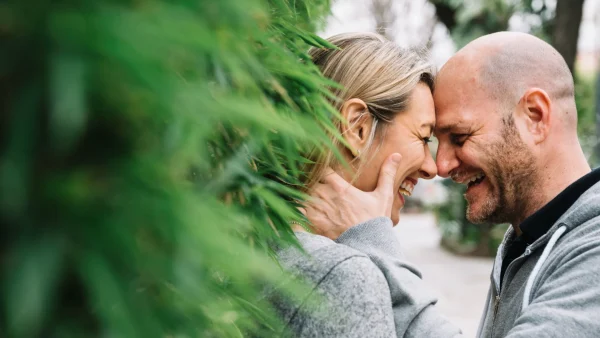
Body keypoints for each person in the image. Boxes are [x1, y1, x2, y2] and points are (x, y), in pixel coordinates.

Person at [304, 31, 600, 337]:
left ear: (535, 116)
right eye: (430, 139)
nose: (441, 167)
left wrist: (372, 245)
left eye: (460, 137)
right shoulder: (526, 240)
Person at [270, 32, 461, 337]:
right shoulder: (345, 276)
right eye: (424, 138)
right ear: (358, 127)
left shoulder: (257, 239)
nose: (432, 167)